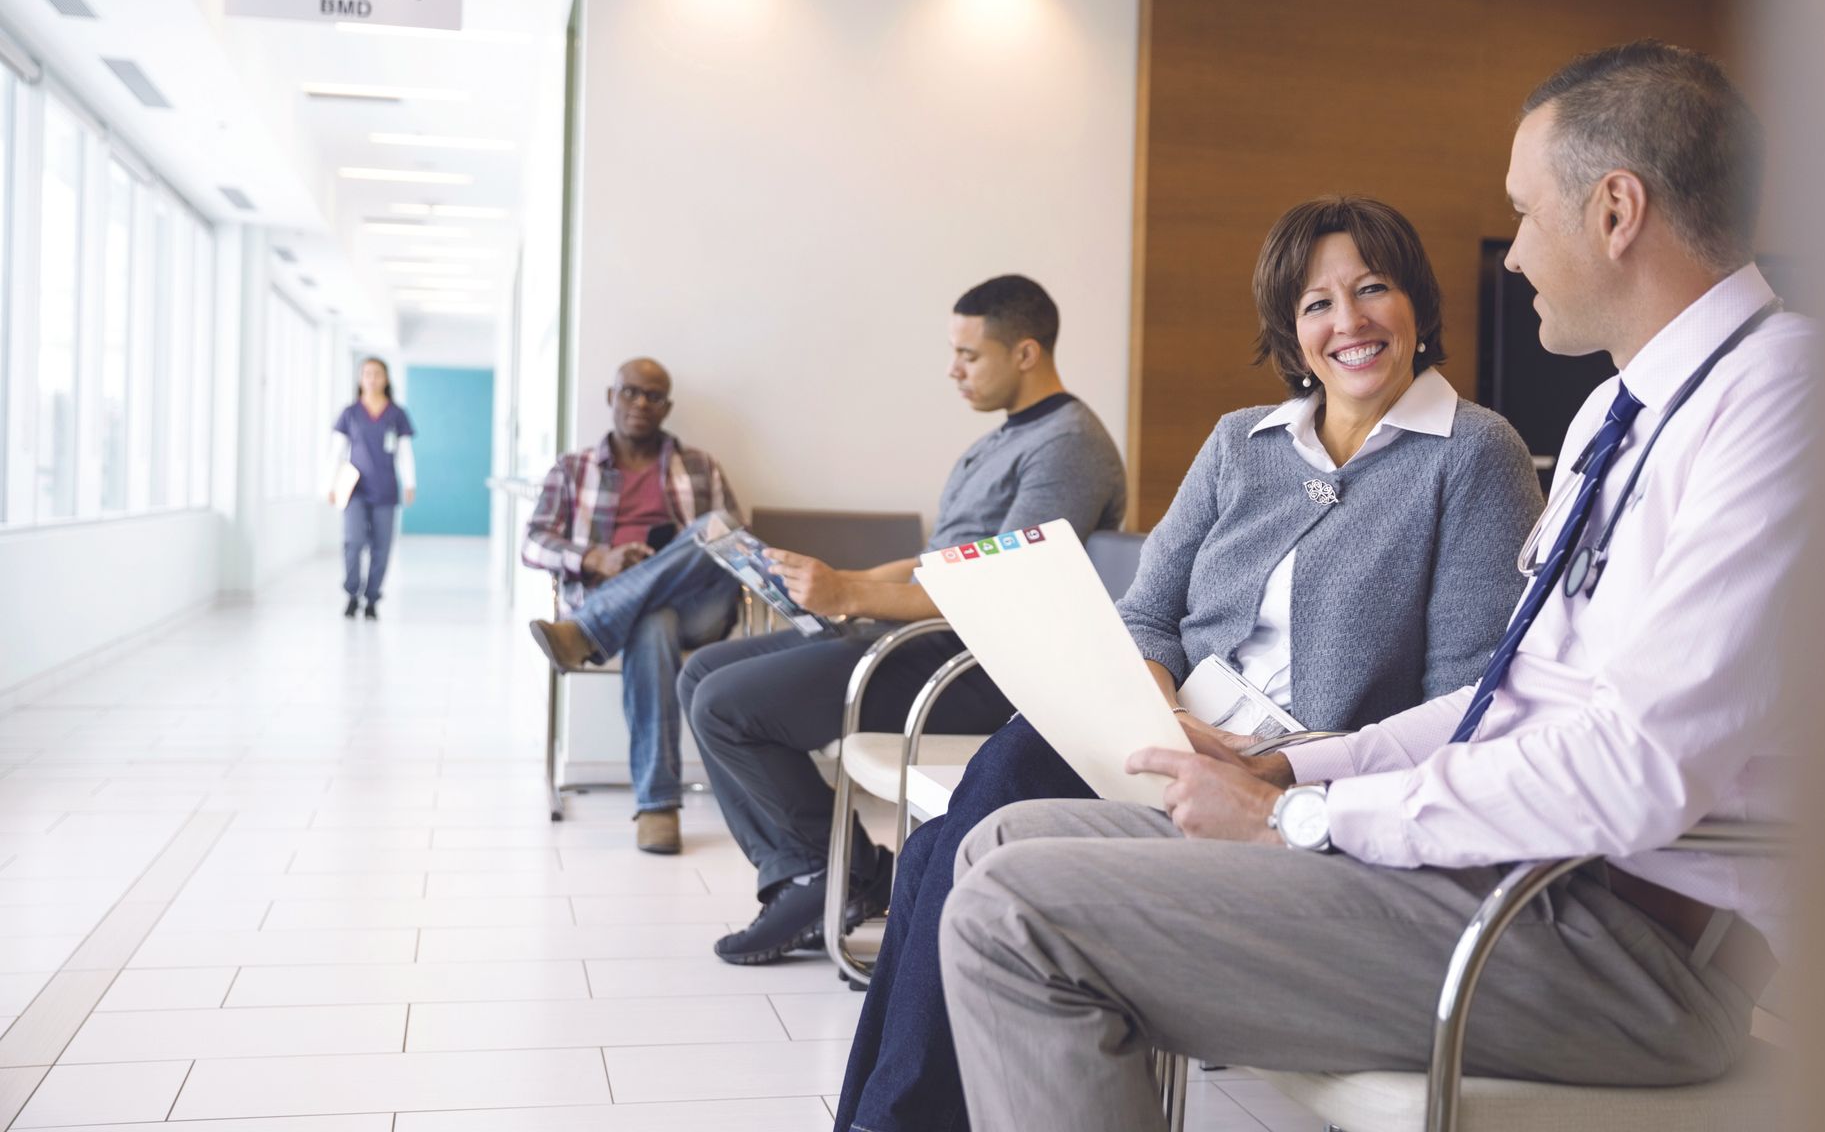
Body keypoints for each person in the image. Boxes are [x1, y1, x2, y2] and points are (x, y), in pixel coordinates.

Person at [939, 41, 1810, 1132]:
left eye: (1527, 214)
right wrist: (1283, 768)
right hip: (1516, 880)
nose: (1513, 257)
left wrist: (1303, 817)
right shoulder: (1617, 415)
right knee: (1005, 841)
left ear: (1617, 210)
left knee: (1014, 915)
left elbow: (1640, 769)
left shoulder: (1789, 404)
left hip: (1613, 942)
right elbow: (1503, 701)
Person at [834, 196, 1544, 1132]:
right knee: (955, 827)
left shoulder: (1473, 453)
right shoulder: (1238, 443)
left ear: (1417, 304)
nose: (1350, 322)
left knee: (950, 837)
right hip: (1160, 736)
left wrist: (1275, 760)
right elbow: (1148, 615)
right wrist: (1154, 703)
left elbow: (1461, 693)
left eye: (1373, 289)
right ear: (1291, 335)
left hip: (1292, 776)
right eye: (1317, 305)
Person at [677, 274, 1127, 965]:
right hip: (921, 635)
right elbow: (938, 561)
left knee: (724, 704)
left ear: (1027, 353)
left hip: (975, 665)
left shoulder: (1068, 447)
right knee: (701, 675)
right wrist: (832, 583)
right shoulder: (997, 441)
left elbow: (997, 587)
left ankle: (829, 874)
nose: (953, 371)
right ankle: (824, 872)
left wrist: (849, 597)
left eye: (969, 356)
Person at [521, 358, 743, 855]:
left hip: (698, 608)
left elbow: (735, 547)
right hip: (621, 602)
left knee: (719, 528)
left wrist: (666, 561)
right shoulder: (573, 469)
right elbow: (532, 542)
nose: (640, 404)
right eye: (630, 392)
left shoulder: (701, 465)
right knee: (651, 622)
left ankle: (582, 634)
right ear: (610, 396)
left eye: (653, 396)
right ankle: (658, 806)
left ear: (667, 406)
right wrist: (598, 558)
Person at [330, 357, 415, 620]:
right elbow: (336, 451)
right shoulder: (350, 413)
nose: (372, 378)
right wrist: (330, 484)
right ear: (360, 378)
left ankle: (371, 598)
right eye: (367, 373)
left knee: (381, 547)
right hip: (354, 489)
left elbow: (405, 452)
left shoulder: (396, 414)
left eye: (377, 374)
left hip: (386, 490)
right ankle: (352, 593)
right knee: (353, 542)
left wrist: (410, 483)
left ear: (386, 379)